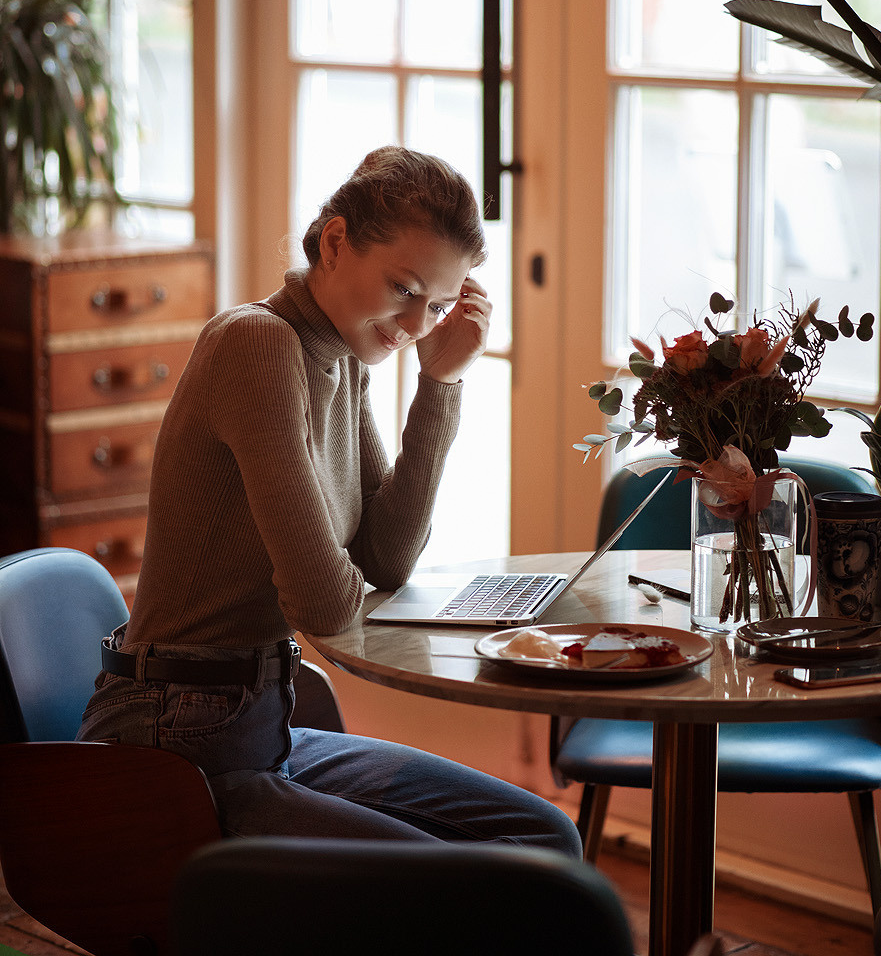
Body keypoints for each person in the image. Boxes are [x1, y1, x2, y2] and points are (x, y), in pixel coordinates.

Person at [78, 146, 581, 854]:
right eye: (404, 288)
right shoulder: (257, 345)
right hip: (177, 735)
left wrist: (440, 386)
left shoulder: (341, 357)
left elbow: (385, 558)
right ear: (337, 242)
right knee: (481, 885)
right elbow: (323, 605)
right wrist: (341, 576)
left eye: (437, 305)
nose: (414, 326)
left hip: (256, 719)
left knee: (539, 832)